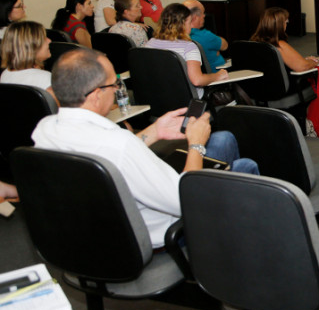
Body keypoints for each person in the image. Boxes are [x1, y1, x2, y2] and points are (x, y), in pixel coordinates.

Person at [32, 48, 258, 247]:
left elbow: (111, 155)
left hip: (92, 229)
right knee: (245, 166)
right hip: (162, 235)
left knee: (222, 140)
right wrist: (196, 144)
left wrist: (154, 131)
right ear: (95, 95)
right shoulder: (120, 144)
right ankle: (230, 251)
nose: (118, 89)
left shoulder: (45, 129)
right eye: (114, 84)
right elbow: (184, 201)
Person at [145, 3, 228, 97]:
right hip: (188, 100)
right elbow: (197, 80)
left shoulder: (149, 44)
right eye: (189, 23)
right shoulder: (189, 47)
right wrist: (218, 75)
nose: (190, 27)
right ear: (182, 25)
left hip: (158, 96)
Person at [251, 7, 319, 72]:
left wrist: (304, 60)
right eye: (286, 21)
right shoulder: (278, 44)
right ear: (280, 24)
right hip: (284, 85)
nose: (286, 24)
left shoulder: (253, 42)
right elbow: (302, 66)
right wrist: (317, 61)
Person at [0, 21, 52, 91]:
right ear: (31, 46)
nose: (49, 40)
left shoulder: (5, 74)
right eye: (44, 38)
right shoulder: (46, 79)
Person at [184, 0, 228, 69]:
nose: (204, 16)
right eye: (203, 13)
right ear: (195, 17)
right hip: (217, 76)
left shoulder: (177, 36)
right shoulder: (205, 36)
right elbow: (225, 46)